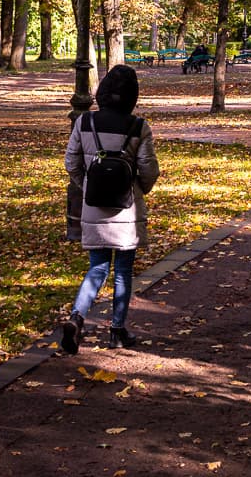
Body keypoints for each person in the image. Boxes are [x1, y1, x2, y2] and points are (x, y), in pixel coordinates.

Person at [61, 65, 160, 353]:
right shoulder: (138, 126)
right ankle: (117, 331)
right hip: (126, 210)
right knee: (123, 271)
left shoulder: (84, 122)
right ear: (133, 96)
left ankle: (77, 318)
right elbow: (149, 169)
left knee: (97, 267)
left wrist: (89, 184)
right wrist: (138, 189)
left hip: (94, 206)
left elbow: (71, 163)